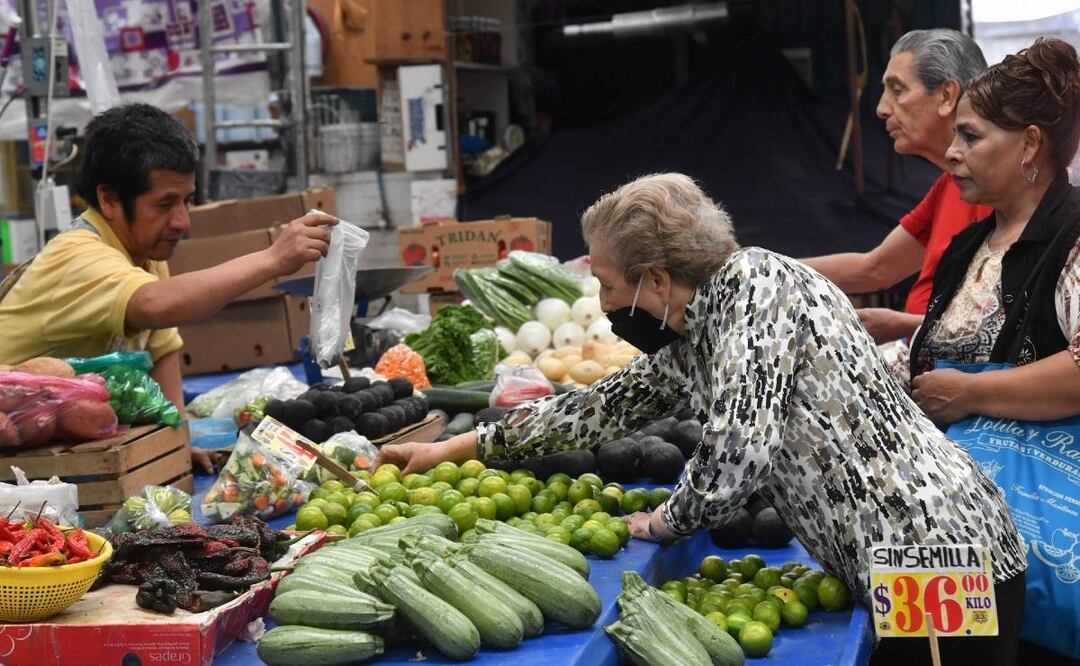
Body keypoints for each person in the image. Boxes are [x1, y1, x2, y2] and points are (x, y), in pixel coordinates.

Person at [378, 173, 1027, 665]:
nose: (604, 304)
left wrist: (666, 521)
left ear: (656, 280)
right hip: (895, 558)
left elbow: (735, 455)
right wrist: (458, 445)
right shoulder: (699, 331)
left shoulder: (758, 290)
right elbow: (595, 410)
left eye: (606, 285)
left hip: (934, 551)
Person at [0, 104, 337, 471]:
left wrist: (175, 444)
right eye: (165, 204)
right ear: (109, 199)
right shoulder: (77, 256)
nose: (182, 220)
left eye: (187, 200)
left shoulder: (142, 251)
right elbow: (155, 304)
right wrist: (272, 260)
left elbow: (162, 349)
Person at [907, 38, 1080, 427]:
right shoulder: (967, 247)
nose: (952, 151)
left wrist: (972, 393)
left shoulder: (1072, 234)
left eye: (970, 136)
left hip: (1036, 477)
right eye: (955, 136)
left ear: (1030, 143)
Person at [803, 29, 992, 343]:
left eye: (897, 90)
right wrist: (764, 266)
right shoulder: (948, 187)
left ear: (946, 96)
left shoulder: (999, 193)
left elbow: (997, 323)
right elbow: (875, 268)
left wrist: (903, 325)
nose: (881, 108)